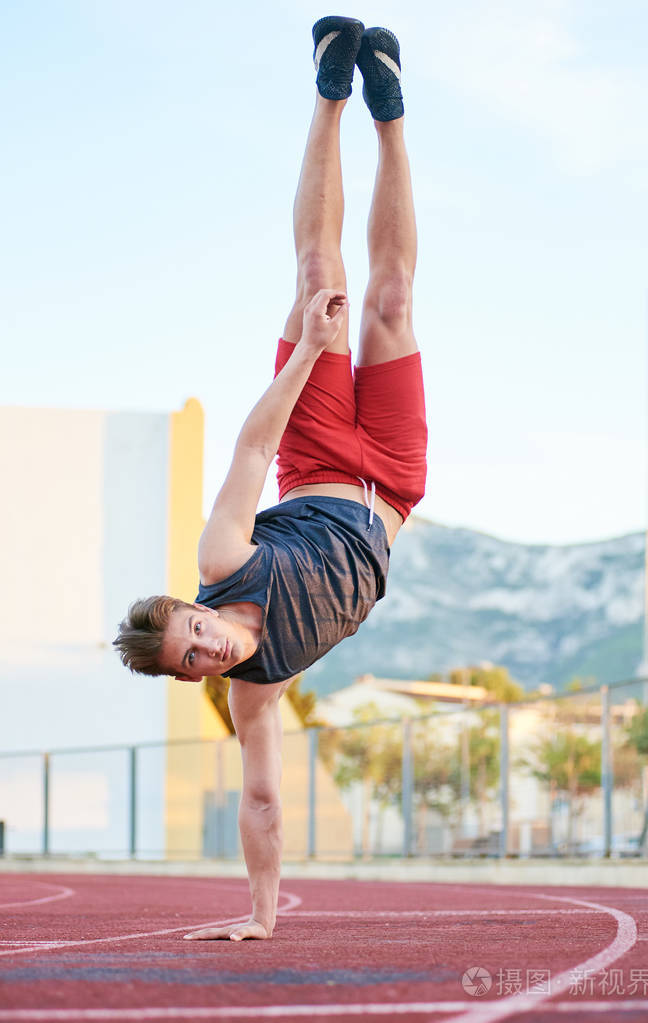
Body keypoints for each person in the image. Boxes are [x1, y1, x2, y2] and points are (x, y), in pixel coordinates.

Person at [114, 15, 427, 941]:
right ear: (193, 676)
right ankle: (392, 127)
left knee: (322, 276)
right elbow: (261, 802)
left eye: (195, 629)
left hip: (318, 452)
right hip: (397, 486)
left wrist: (309, 351)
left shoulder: (224, 556)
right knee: (397, 298)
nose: (208, 647)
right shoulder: (258, 692)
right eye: (194, 659)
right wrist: (258, 917)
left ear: (195, 605)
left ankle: (347, 100)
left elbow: (252, 453)